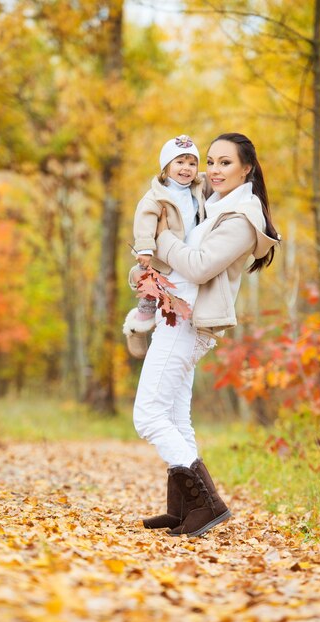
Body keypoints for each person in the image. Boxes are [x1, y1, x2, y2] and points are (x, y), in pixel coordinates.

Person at [133, 132, 280, 538]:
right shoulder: (210, 206)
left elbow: (198, 267)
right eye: (210, 162)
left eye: (225, 163)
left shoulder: (241, 218)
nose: (213, 170)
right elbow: (181, 262)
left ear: (247, 168)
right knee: (177, 416)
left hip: (189, 321)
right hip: (175, 314)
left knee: (147, 415)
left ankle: (207, 503)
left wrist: (159, 237)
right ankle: (182, 509)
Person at [123, 135, 205, 359]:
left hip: (184, 254)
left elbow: (221, 179)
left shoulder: (197, 189)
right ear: (166, 167)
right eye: (179, 162)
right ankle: (137, 328)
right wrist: (146, 248)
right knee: (150, 295)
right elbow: (145, 221)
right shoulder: (157, 196)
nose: (186, 169)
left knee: (174, 302)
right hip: (160, 256)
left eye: (192, 163)